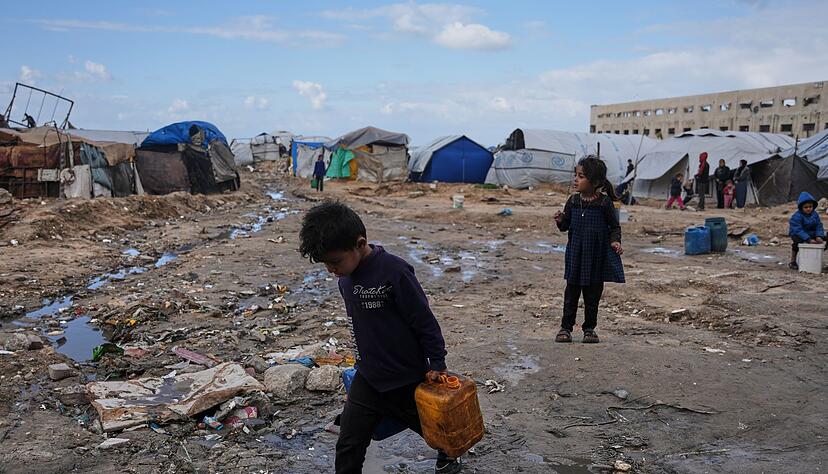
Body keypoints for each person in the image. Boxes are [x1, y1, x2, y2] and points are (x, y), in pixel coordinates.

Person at [299, 203, 462, 474]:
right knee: (349, 444)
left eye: (335, 261)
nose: (331, 269)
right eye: (326, 263)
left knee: (437, 431)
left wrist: (437, 361)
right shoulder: (346, 280)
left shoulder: (395, 272)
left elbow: (423, 320)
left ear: (360, 243)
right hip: (369, 379)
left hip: (406, 378)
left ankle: (448, 455)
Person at [554, 157, 624, 344]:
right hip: (576, 256)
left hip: (596, 258)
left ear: (595, 182)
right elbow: (566, 225)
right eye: (575, 175)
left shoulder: (604, 203)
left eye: (581, 176)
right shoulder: (573, 201)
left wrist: (615, 241)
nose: (576, 180)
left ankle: (589, 329)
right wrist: (560, 220)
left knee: (592, 296)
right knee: (571, 295)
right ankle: (566, 328)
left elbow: (614, 227)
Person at [788, 192, 826, 270]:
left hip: (811, 234)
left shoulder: (815, 214)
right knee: (797, 242)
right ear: (801, 208)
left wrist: (819, 236)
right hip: (798, 234)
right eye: (806, 207)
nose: (808, 209)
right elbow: (797, 230)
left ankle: (818, 259)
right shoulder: (796, 216)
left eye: (810, 206)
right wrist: (808, 239)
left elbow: (819, 225)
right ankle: (793, 261)